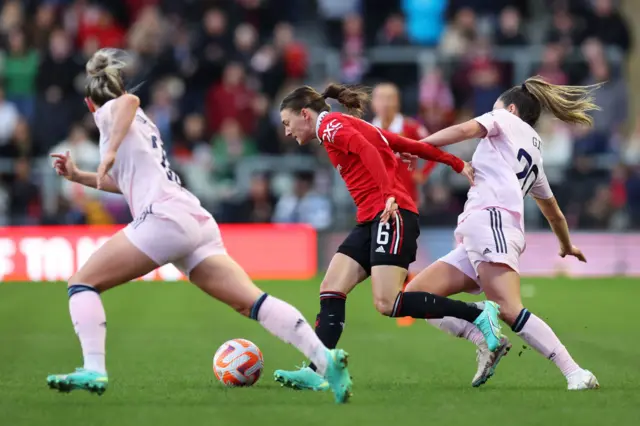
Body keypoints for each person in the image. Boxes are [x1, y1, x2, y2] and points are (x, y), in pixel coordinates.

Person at [46, 49, 353, 404]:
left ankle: (93, 369)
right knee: (251, 302)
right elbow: (124, 181)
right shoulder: (139, 125)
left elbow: (128, 100)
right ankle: (324, 359)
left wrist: (109, 151)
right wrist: (79, 175)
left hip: (163, 217)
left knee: (82, 282)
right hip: (193, 218)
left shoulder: (112, 112)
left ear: (89, 103)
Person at [274, 83, 504, 391]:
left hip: (389, 215)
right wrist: (456, 163)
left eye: (287, 123)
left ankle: (478, 314)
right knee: (331, 287)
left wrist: (387, 195)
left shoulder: (329, 126)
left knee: (388, 303)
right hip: (371, 219)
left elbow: (370, 151)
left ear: (305, 114)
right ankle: (319, 369)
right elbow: (403, 144)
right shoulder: (348, 124)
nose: (287, 131)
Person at [405, 76, 601, 391]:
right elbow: (553, 211)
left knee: (509, 308)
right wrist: (566, 245)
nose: (489, 114)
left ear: (510, 108)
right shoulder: (533, 152)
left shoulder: (503, 119)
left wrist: (417, 146)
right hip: (481, 229)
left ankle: (575, 372)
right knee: (417, 297)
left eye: (494, 107)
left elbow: (464, 129)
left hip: (491, 222)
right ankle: (484, 336)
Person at [371, 82, 436, 326]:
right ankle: (405, 292)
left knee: (400, 250)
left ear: (397, 102)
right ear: (374, 102)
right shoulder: (367, 129)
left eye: (390, 98)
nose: (386, 103)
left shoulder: (410, 127)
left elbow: (432, 147)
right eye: (381, 98)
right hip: (377, 201)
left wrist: (423, 173)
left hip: (405, 200)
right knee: (387, 252)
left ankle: (405, 297)